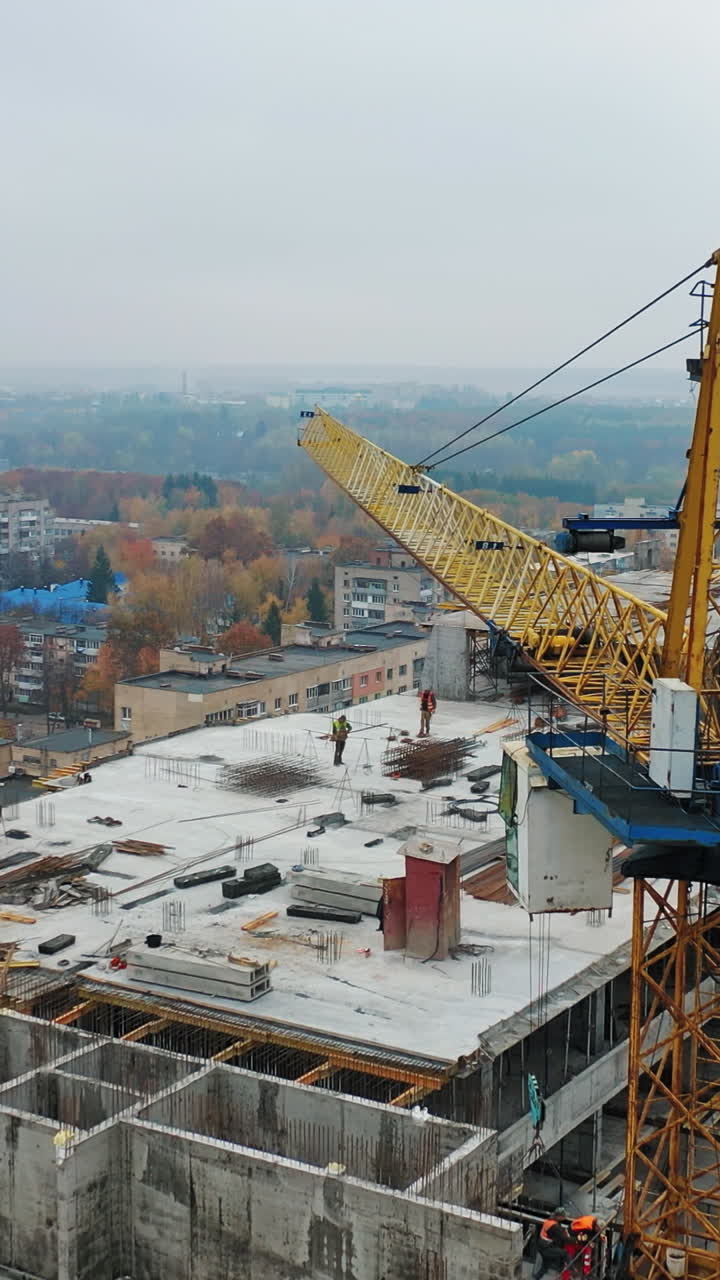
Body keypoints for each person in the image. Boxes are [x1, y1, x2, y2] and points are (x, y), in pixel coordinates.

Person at [534, 1210, 569, 1279]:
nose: (565, 1217)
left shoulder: (550, 1220)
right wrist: (577, 1240)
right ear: (559, 1216)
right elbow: (564, 1238)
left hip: (542, 1246)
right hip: (546, 1247)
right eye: (563, 1216)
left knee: (545, 1266)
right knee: (564, 1253)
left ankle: (536, 1278)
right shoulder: (554, 1226)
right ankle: (571, 1268)